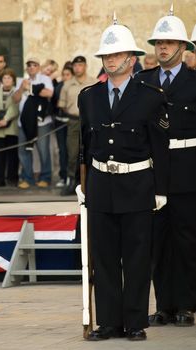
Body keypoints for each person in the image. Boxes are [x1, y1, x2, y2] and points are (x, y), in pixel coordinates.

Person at [76, 17, 169, 341]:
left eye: (116, 55)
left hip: (138, 185)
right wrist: (81, 184)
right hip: (102, 186)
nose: (110, 60)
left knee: (136, 258)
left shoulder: (151, 96)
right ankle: (110, 322)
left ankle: (134, 322)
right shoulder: (89, 97)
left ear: (132, 59)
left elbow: (160, 147)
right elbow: (84, 146)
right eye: (106, 55)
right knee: (103, 259)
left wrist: (162, 189)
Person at [136, 8, 196, 326]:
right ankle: (164, 305)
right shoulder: (142, 83)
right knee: (157, 242)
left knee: (186, 240)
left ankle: (187, 304)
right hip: (153, 174)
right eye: (159, 42)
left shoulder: (193, 82)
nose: (162, 47)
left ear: (183, 47)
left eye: (170, 42)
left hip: (188, 172)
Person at [13, 57, 54, 189]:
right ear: (26, 68)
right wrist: (21, 88)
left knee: (43, 151)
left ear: (39, 67)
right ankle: (27, 178)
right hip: (23, 122)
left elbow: (49, 93)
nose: (31, 67)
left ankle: (46, 177)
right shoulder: (21, 80)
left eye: (34, 65)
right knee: (23, 151)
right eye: (29, 65)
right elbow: (15, 99)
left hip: (41, 123)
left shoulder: (44, 79)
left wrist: (30, 88)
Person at [58, 56, 96, 195]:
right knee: (73, 153)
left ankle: (90, 183)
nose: (78, 68)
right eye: (75, 65)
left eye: (80, 65)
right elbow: (61, 105)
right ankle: (71, 182)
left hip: (91, 122)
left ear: (85, 66)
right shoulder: (67, 85)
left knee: (91, 151)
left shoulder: (94, 82)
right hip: (73, 121)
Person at [54, 63, 74, 187]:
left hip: (72, 122)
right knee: (62, 150)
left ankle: (72, 177)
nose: (65, 77)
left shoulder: (73, 87)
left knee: (72, 150)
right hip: (60, 121)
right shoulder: (59, 87)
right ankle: (63, 176)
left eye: (68, 75)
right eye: (64, 74)